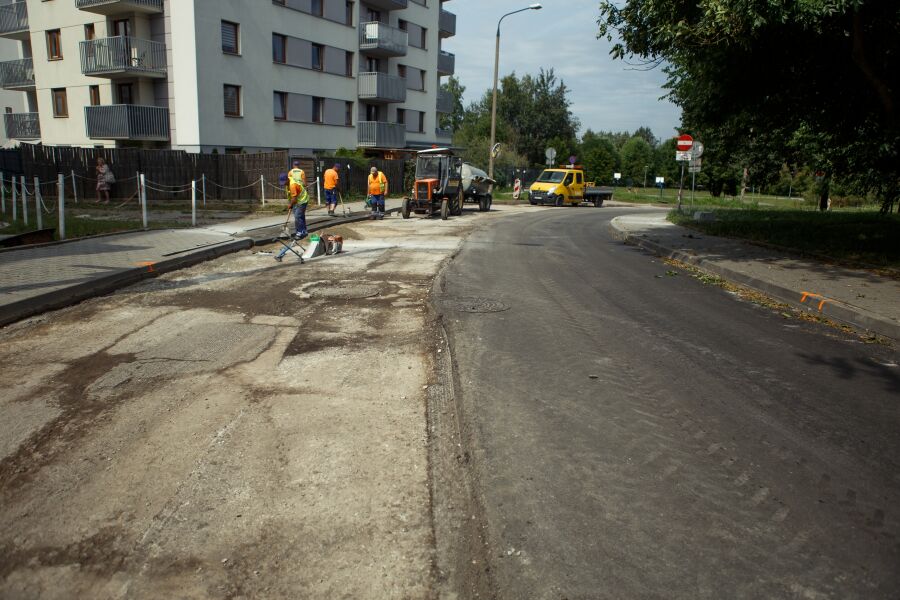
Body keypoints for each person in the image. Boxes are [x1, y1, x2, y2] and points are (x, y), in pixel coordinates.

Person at [288, 170, 309, 240]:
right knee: (301, 216)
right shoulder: (289, 182)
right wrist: (291, 202)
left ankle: (299, 233)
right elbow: (291, 196)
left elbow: (294, 198)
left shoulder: (292, 185)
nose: (283, 184)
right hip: (298, 200)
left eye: (283, 182)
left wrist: (290, 204)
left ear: (287, 179)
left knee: (297, 217)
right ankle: (304, 231)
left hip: (302, 200)